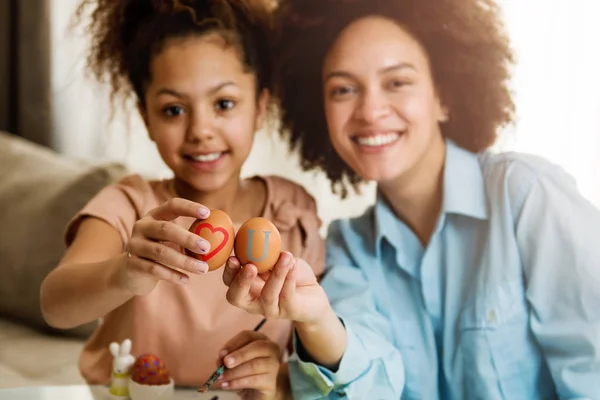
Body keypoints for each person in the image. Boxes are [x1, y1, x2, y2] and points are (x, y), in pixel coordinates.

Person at [221, 0, 600, 398]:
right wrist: (314, 321)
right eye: (343, 89)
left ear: (444, 95)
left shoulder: (527, 197)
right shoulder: (348, 248)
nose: (369, 110)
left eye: (397, 82)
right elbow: (367, 386)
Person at [39, 0, 324, 398]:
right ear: (146, 119)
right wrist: (123, 273)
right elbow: (55, 304)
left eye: (224, 104)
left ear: (260, 107)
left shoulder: (292, 214)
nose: (200, 130)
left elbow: (321, 341)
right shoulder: (130, 206)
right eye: (173, 110)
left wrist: (276, 378)